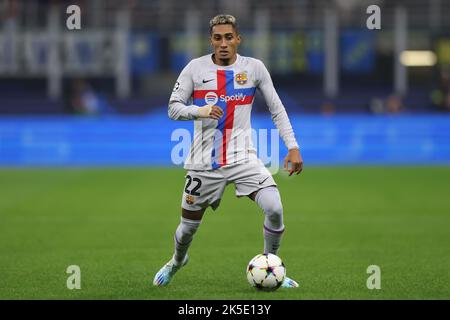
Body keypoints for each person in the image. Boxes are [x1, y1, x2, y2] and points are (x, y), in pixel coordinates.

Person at [153, 14, 303, 288]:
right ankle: (177, 261)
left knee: (275, 208)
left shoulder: (254, 68)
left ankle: (271, 266)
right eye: (218, 38)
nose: (223, 43)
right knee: (187, 229)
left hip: (243, 158)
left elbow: (276, 109)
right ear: (211, 40)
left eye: (229, 37)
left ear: (238, 39)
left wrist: (292, 146)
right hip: (203, 162)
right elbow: (173, 108)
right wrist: (201, 110)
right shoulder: (194, 69)